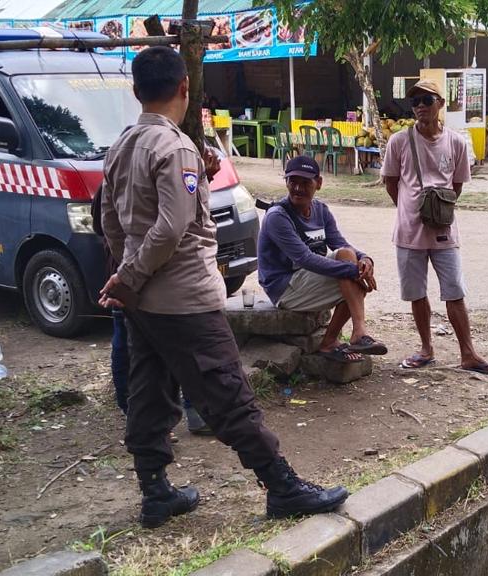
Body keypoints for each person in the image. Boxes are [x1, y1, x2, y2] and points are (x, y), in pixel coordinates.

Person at [97, 46, 347, 529]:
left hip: (143, 305)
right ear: (185, 87)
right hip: (185, 299)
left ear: (136, 91)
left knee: (149, 392)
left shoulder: (121, 146)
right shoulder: (175, 148)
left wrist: (128, 274)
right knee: (229, 393)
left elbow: (110, 220)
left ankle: (155, 492)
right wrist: (132, 276)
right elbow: (172, 228)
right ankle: (281, 486)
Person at [382, 79, 488, 377]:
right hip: (408, 232)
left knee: (454, 291)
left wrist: (438, 210)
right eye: (415, 102)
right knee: (416, 293)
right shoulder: (399, 141)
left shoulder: (456, 142)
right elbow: (391, 182)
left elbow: (457, 185)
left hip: (444, 231)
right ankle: (426, 349)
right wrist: (411, 208)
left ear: (440, 103)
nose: (420, 106)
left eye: (427, 100)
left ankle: (468, 354)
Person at [89, 190, 211, 435]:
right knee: (136, 348)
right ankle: (142, 417)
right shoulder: (124, 179)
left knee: (171, 346)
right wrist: (128, 270)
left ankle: (170, 415)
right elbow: (106, 226)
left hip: (158, 278)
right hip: (137, 278)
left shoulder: (161, 177)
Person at [258, 155, 385, 362]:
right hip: (284, 287)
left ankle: (340, 339)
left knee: (348, 257)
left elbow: (340, 243)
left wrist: (365, 260)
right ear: (286, 182)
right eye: (293, 181)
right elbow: (305, 259)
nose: (298, 188)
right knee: (351, 275)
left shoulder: (321, 210)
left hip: (306, 280)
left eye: (305, 183)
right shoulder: (277, 217)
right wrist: (355, 270)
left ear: (318, 183)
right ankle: (352, 336)